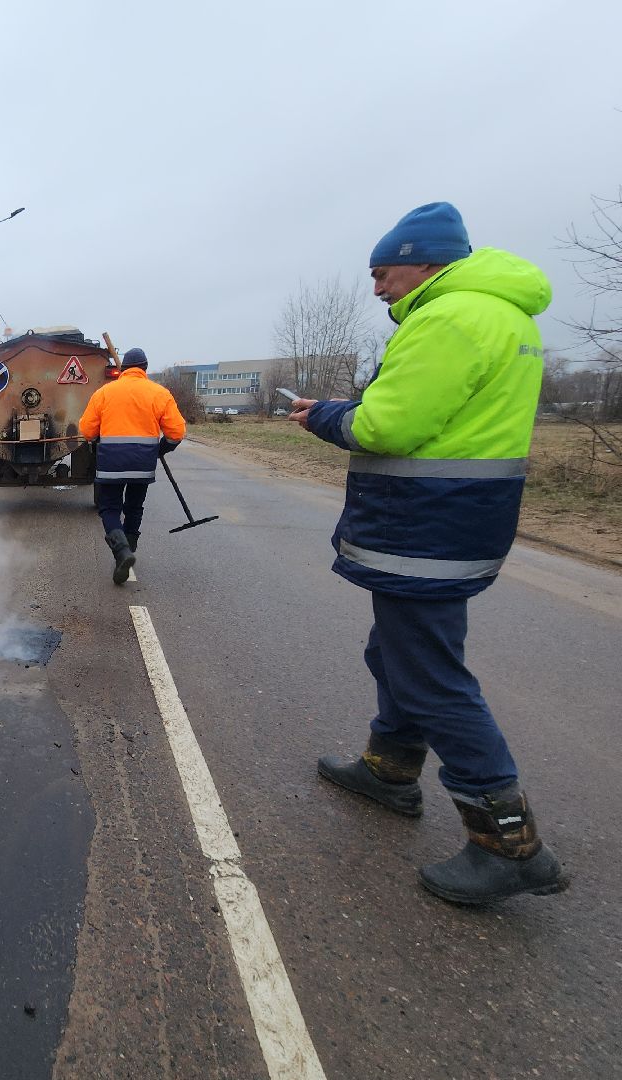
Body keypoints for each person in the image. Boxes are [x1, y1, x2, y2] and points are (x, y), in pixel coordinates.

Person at [289, 201, 563, 904]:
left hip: (426, 524)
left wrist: (324, 414)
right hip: (461, 520)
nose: (378, 288)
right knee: (400, 654)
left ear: (425, 261)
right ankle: (389, 768)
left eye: (384, 273)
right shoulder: (505, 317)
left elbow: (387, 427)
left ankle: (506, 841)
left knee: (430, 677)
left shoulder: (446, 318)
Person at [78, 347, 187, 584]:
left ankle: (122, 552)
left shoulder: (104, 393)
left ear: (123, 369)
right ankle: (129, 549)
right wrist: (162, 449)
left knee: (109, 509)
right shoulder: (159, 393)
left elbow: (86, 430)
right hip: (142, 463)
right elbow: (177, 432)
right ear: (145, 369)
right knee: (135, 507)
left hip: (111, 464)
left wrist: (98, 439)